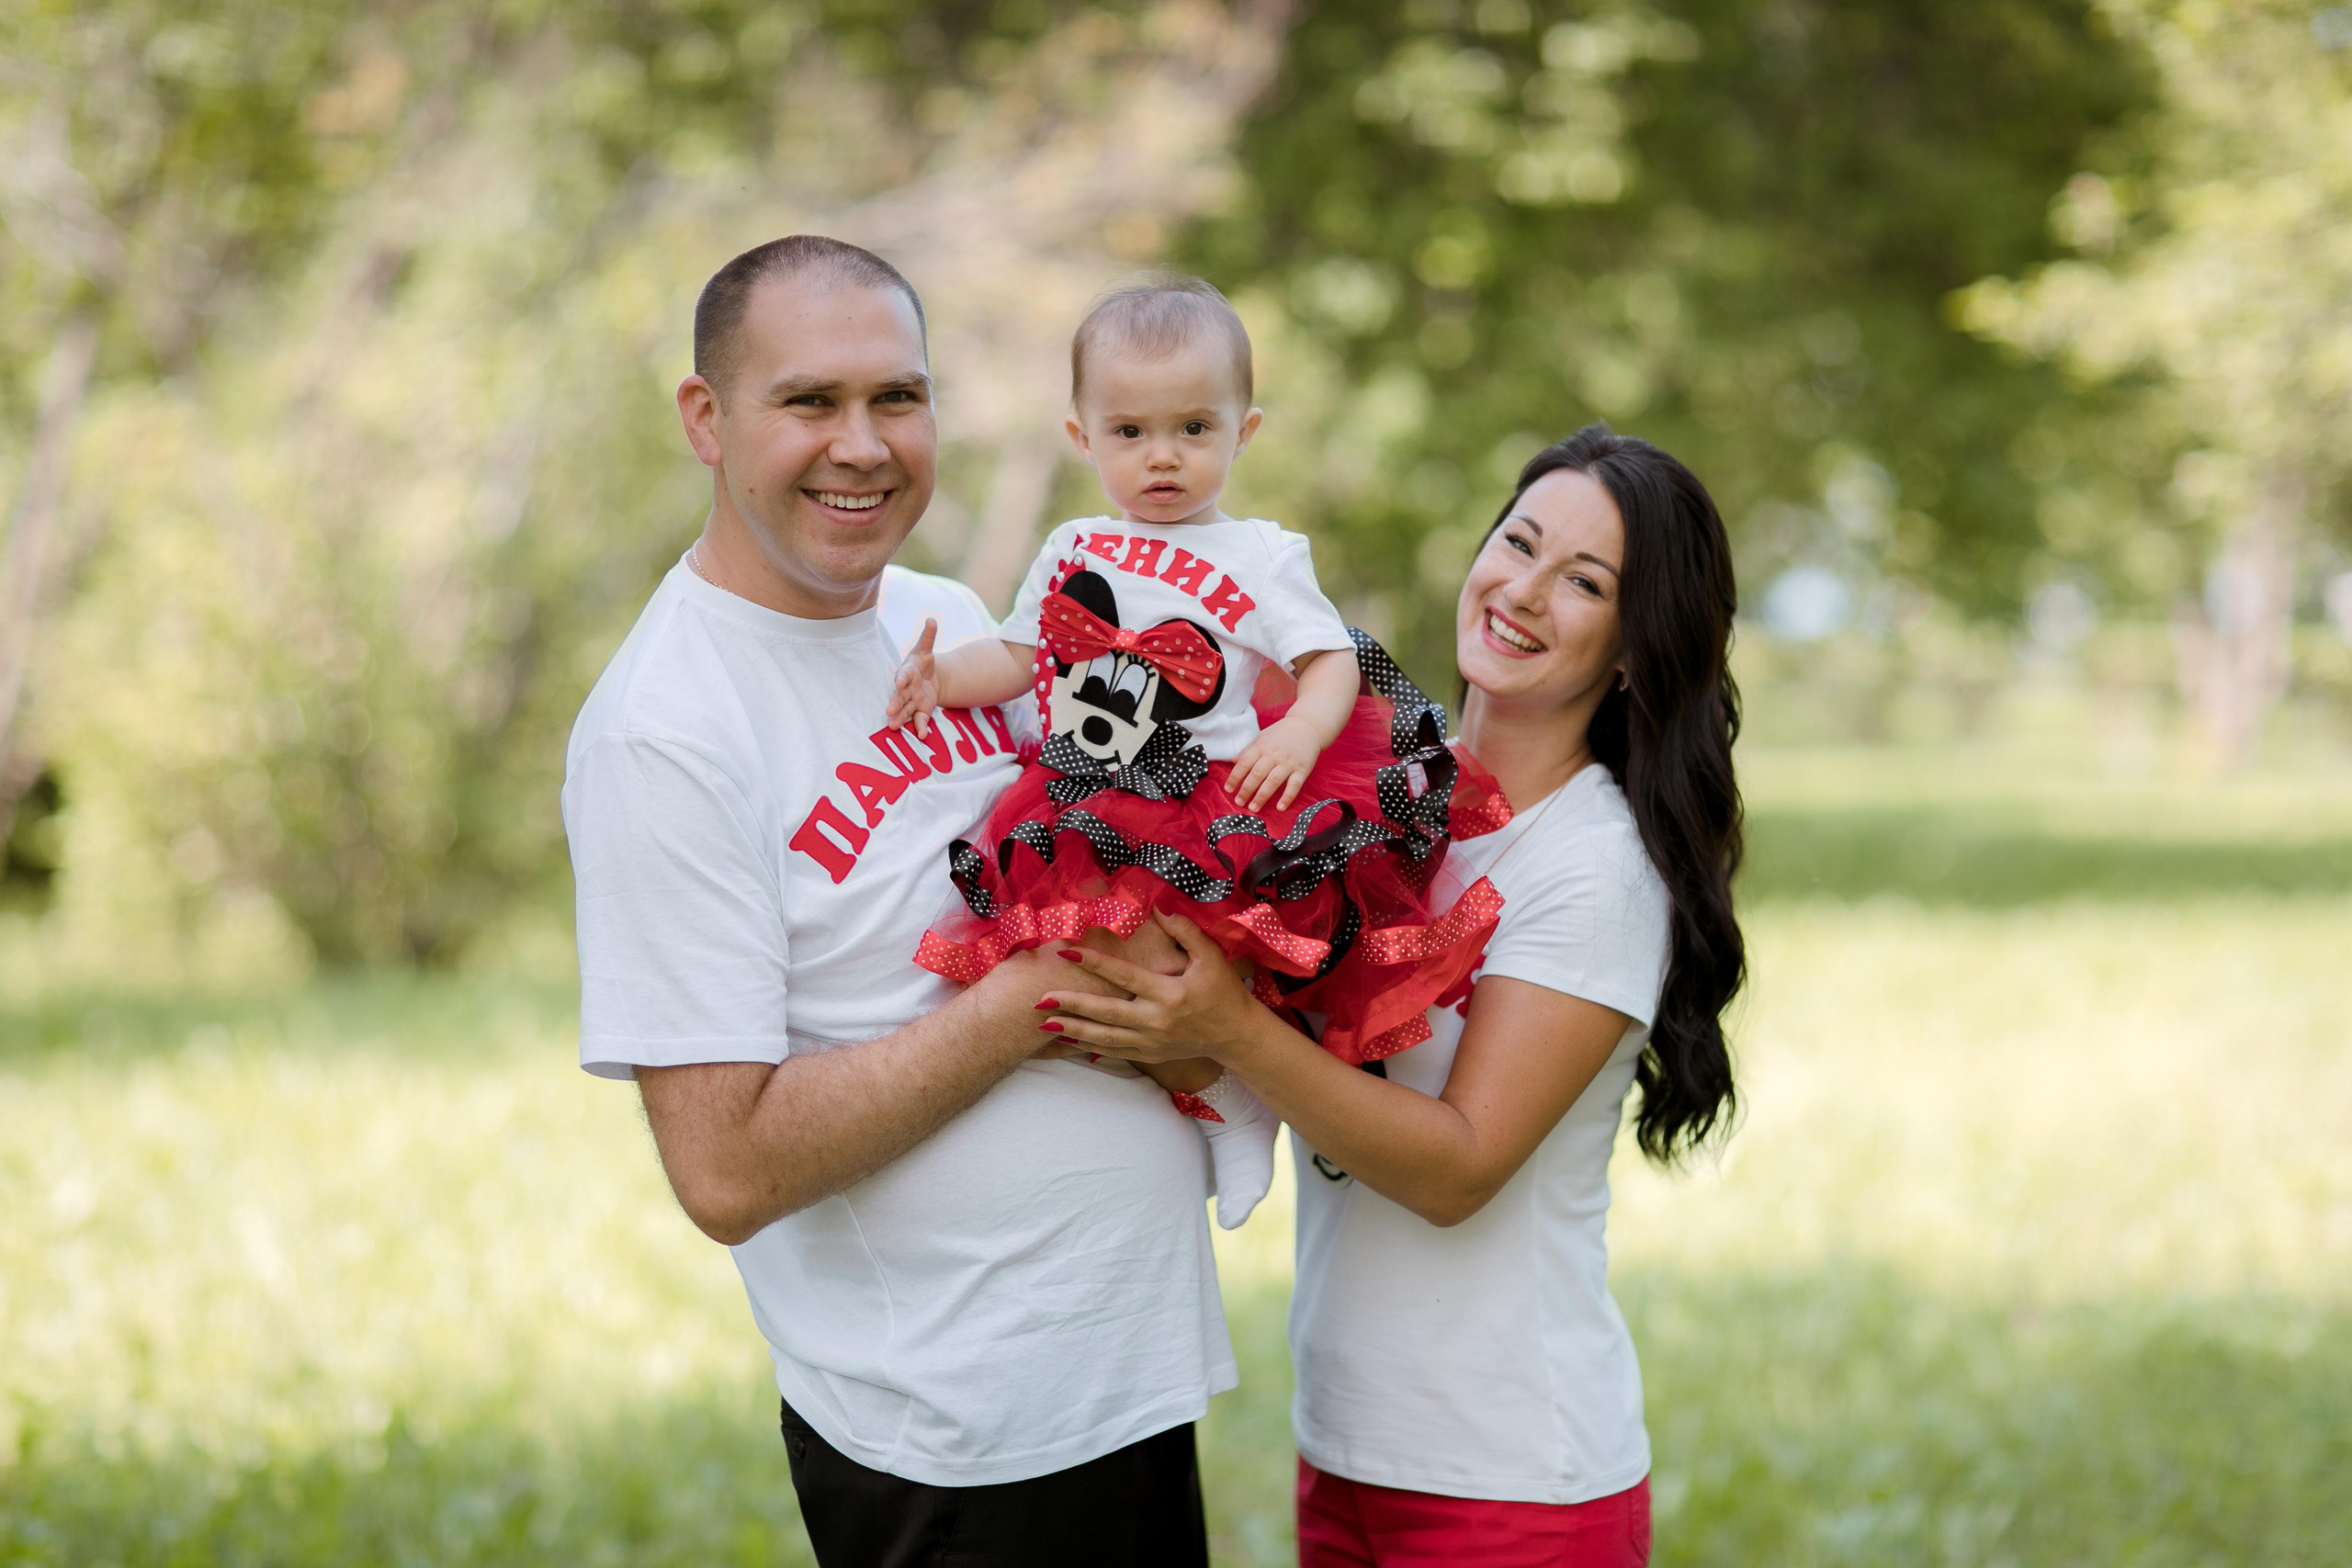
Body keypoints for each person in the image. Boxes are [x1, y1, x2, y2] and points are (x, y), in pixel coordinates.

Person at [560, 235, 1234, 1568]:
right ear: (708, 418)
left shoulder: (939, 617)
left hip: (1119, 1383)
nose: (862, 445)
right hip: (956, 1442)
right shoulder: (666, 728)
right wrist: (1025, 1004)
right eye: (810, 402)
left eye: (898, 398)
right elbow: (726, 1166)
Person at [1037, 426, 1747, 1567]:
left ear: (1633, 648)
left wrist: (1224, 1028)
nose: (1521, 590)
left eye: (1583, 583)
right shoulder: (1376, 804)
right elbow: (1282, 1049)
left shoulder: (1592, 864)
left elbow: (1457, 1167)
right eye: (1516, 543)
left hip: (1513, 1482)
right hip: (1349, 1449)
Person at [889, 274, 1506, 1227]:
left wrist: (1301, 727)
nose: (1162, 457)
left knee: (1167, 965)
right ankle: (1202, 1090)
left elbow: (1329, 662)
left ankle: (1234, 1093)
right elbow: (1018, 655)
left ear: (1242, 431)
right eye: (1129, 432)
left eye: (1193, 429)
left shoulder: (1261, 554)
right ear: (1081, 437)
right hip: (1082, 790)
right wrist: (940, 682)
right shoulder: (1073, 543)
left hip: (1204, 797)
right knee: (1085, 964)